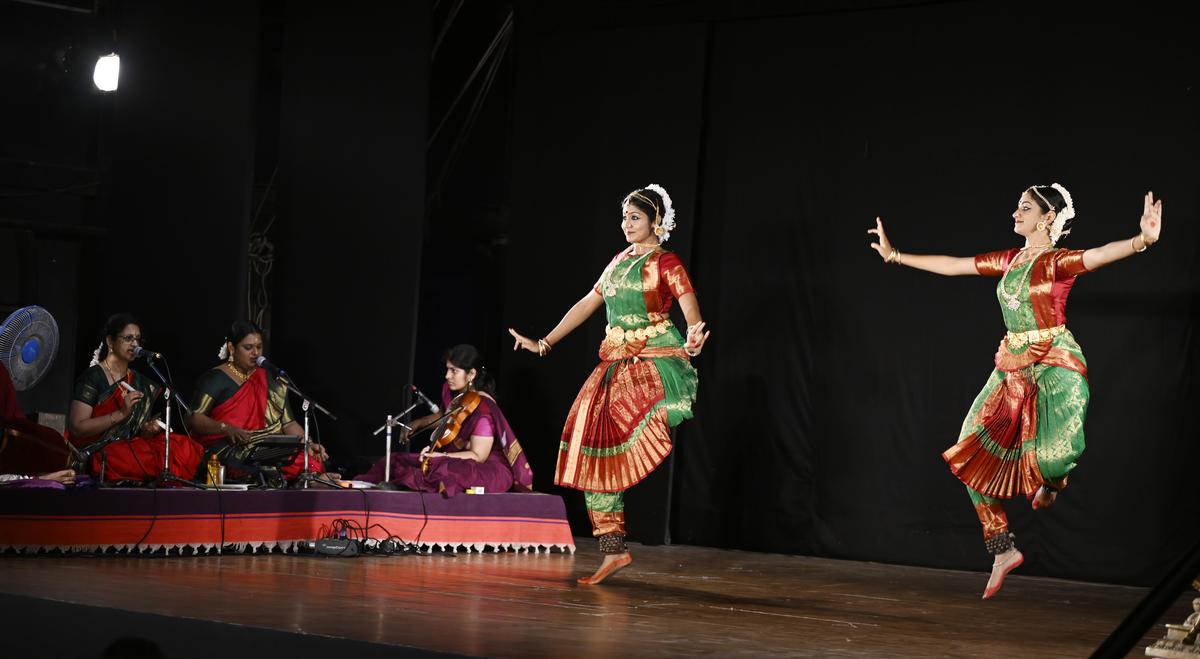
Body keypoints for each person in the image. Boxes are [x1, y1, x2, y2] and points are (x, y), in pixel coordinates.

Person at [868, 185, 1163, 599]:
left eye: (1024, 207)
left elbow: (1097, 255)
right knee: (969, 448)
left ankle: (1053, 486)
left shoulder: (1057, 262)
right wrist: (895, 255)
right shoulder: (1010, 260)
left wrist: (1142, 241)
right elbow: (955, 266)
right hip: (1012, 363)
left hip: (1054, 362)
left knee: (1058, 455)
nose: (1014, 213)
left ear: (1047, 217)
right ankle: (1002, 548)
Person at [509, 183, 711, 585]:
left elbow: (690, 305)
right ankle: (613, 549)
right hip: (614, 362)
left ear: (656, 221)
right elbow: (588, 303)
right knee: (590, 444)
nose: (627, 224)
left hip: (652, 359)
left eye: (635, 217)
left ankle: (632, 468)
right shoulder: (617, 262)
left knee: (617, 437)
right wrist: (546, 342)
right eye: (624, 217)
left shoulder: (665, 262)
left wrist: (693, 333)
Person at [355, 344, 533, 496]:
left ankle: (404, 487)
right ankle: (373, 486)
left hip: (487, 468)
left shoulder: (483, 408)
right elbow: (443, 415)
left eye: (454, 371)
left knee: (441, 468)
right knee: (395, 460)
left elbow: (478, 455)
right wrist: (417, 424)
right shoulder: (452, 391)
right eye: (447, 369)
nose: (447, 376)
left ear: (471, 374)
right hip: (459, 458)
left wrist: (442, 455)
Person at [65, 313, 204, 484]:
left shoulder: (140, 382)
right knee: (122, 457)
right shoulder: (93, 377)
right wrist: (121, 414)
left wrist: (146, 431)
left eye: (138, 339)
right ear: (110, 341)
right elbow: (77, 428)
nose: (135, 344)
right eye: (128, 338)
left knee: (180, 445)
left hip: (129, 447)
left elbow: (134, 433)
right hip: (98, 451)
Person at [186, 321, 329, 486]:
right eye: (248, 348)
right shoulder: (215, 378)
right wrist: (226, 428)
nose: (256, 353)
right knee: (259, 464)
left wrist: (308, 444)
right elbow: (192, 418)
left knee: (305, 457)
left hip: (267, 444)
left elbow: (288, 423)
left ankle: (312, 478)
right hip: (231, 446)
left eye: (259, 347)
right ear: (232, 348)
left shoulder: (272, 379)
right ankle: (309, 480)